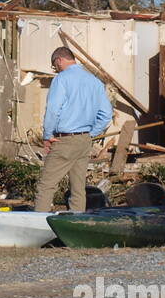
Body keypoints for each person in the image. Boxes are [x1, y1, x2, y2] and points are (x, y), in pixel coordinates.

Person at [34, 47, 112, 213]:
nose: (56, 69)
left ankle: (38, 225)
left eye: (55, 66)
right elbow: (106, 115)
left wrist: (47, 136)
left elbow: (53, 109)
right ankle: (77, 221)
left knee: (46, 186)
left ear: (59, 60)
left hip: (65, 140)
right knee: (78, 188)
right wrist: (90, 134)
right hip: (84, 141)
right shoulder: (95, 82)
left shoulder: (61, 79)